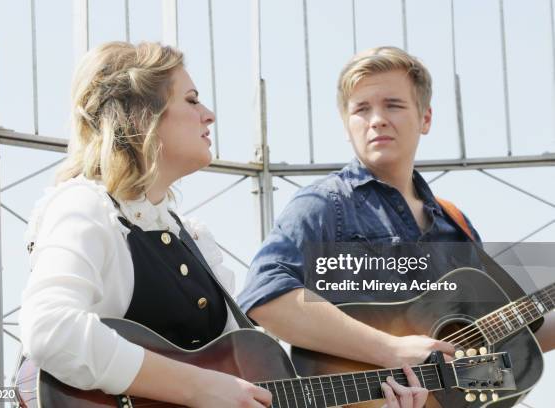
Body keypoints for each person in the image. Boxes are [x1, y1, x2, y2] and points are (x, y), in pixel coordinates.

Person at [18, 41, 430, 408]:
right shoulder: (86, 207)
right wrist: (196, 387)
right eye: (192, 100)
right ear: (144, 116)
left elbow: (257, 392)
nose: (209, 115)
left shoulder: (195, 239)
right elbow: (51, 330)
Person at [237, 46, 554, 376]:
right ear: (346, 125)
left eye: (393, 105)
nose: (377, 121)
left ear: (425, 118)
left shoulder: (454, 224)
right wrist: (391, 350)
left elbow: (508, 334)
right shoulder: (323, 205)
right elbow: (265, 296)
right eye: (361, 109)